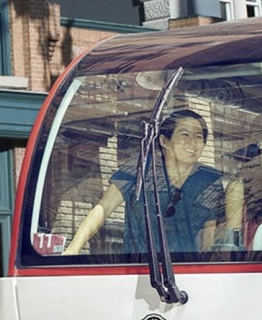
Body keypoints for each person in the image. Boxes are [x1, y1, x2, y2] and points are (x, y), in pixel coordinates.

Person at [65, 108, 230, 257]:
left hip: (188, 271)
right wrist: (73, 249)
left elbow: (210, 233)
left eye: (198, 137)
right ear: (164, 141)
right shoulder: (141, 167)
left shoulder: (209, 180)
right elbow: (103, 208)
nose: (192, 143)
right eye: (184, 135)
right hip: (139, 269)